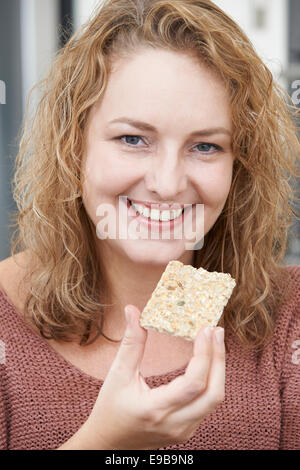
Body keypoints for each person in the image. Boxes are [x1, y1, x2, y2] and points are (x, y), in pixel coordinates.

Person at [0, 0, 299, 450]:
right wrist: (104, 442)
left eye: (205, 146)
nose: (167, 183)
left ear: (242, 165)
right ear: (72, 146)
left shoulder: (291, 317)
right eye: (133, 139)